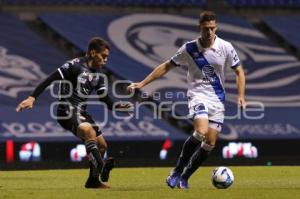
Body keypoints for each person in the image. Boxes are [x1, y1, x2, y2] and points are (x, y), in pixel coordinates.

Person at [127, 11, 246, 189]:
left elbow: (239, 71)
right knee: (201, 132)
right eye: (206, 28)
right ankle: (176, 172)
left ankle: (185, 177)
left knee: (210, 143)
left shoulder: (226, 47)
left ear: (216, 27)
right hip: (198, 95)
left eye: (212, 28)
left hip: (218, 99)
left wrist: (241, 96)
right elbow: (167, 65)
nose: (209, 32)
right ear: (200, 28)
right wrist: (143, 83)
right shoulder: (189, 48)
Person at [16, 37, 131, 189]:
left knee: (102, 145)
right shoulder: (74, 65)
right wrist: (32, 97)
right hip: (66, 111)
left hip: (81, 112)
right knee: (88, 131)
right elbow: (50, 79)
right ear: (92, 53)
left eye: (107, 57)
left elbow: (106, 101)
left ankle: (93, 181)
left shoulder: (99, 75)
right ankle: (102, 166)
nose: (105, 60)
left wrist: (120, 107)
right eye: (103, 56)